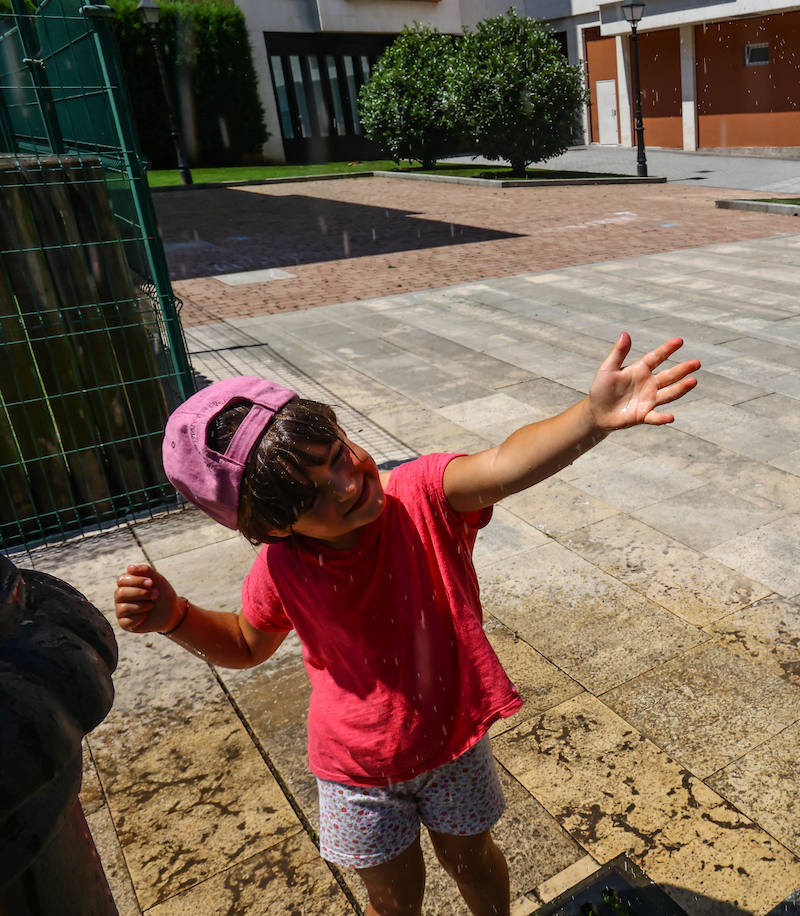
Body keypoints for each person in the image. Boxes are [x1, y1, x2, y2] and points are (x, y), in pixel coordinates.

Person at [113, 333, 699, 916]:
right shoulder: (281, 568)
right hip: (356, 772)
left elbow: (503, 463)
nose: (347, 484)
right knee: (393, 902)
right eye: (312, 496)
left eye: (339, 455)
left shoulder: (421, 496)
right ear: (272, 527)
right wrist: (177, 618)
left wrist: (590, 418)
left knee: (473, 862)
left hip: (452, 742)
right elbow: (245, 643)